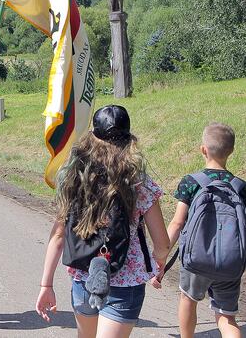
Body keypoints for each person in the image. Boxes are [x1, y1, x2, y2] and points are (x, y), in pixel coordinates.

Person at [35, 105, 170, 337]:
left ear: (92, 137)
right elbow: (163, 244)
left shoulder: (74, 178)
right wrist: (159, 262)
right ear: (129, 140)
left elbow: (58, 235)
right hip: (126, 282)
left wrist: (46, 285)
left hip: (84, 276)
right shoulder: (140, 183)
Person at [161, 123, 242, 338]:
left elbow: (177, 223)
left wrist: (161, 257)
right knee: (227, 317)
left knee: (188, 300)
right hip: (230, 261)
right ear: (232, 151)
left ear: (203, 149)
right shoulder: (240, 187)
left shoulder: (191, 182)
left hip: (196, 260)